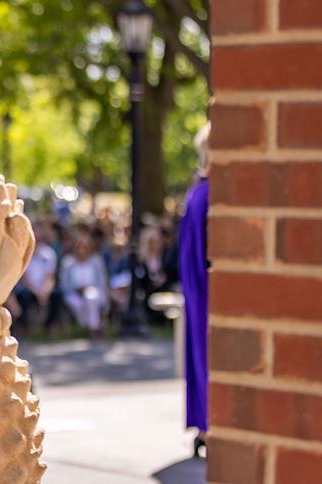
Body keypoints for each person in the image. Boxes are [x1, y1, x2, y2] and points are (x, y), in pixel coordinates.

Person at [180, 122, 210, 456]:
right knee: (207, 356)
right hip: (207, 293)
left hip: (197, 292)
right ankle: (209, 425)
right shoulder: (209, 195)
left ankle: (205, 425)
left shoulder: (196, 192)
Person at [59, 232, 110, 336]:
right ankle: (84, 324)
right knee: (75, 302)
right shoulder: (67, 263)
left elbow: (102, 281)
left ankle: (93, 329)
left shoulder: (96, 261)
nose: (82, 251)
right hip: (73, 293)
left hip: (93, 291)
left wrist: (88, 288)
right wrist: (77, 289)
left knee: (90, 298)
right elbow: (64, 283)